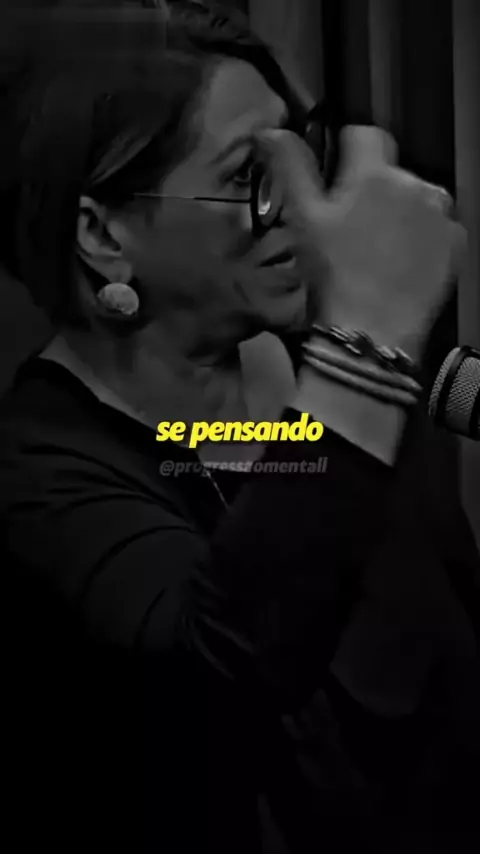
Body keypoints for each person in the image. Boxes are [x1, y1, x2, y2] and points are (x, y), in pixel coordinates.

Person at [0, 3, 479, 853]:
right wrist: (366, 344)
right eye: (248, 176)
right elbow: (222, 670)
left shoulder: (311, 352)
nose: (304, 209)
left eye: (301, 155)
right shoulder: (40, 468)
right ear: (103, 234)